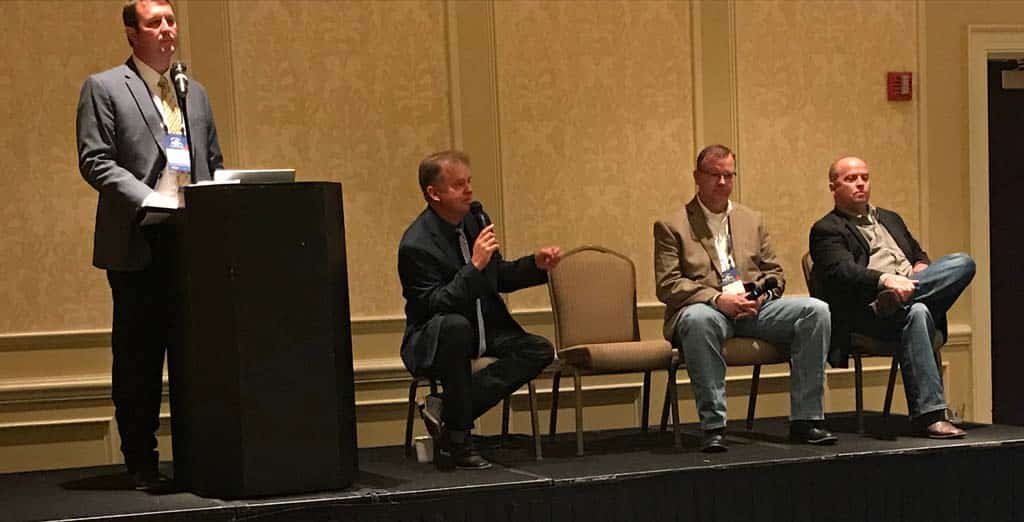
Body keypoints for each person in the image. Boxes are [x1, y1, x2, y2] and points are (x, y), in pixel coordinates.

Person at [76, 0, 223, 489]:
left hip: (191, 242)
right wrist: (149, 198)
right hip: (138, 239)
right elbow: (95, 160)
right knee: (138, 359)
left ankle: (199, 457)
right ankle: (140, 460)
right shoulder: (104, 87)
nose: (166, 30)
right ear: (131, 33)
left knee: (196, 355)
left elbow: (212, 161)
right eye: (153, 22)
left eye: (170, 21)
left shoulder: (194, 92)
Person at [654, 144, 835, 453]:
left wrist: (760, 295)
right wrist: (717, 299)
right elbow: (668, 284)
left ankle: (806, 420)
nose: (722, 182)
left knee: (815, 310)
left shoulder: (752, 219)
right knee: (698, 320)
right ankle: (713, 426)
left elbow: (774, 272)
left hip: (754, 309)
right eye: (714, 175)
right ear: (697, 177)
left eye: (728, 175)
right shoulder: (672, 226)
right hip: (706, 309)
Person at [398, 150, 559, 470]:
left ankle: (446, 408)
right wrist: (474, 266)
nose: (469, 190)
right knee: (455, 325)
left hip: (484, 329)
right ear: (434, 193)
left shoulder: (475, 220)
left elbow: (497, 276)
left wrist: (535, 265)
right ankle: (460, 438)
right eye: (459, 185)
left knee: (538, 349)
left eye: (469, 182)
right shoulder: (416, 244)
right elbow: (436, 305)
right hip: (438, 337)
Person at [809, 156, 974, 439]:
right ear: (833, 187)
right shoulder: (827, 229)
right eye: (851, 179)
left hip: (903, 300)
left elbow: (918, 254)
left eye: (864, 177)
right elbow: (843, 273)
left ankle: (901, 300)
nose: (860, 184)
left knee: (962, 262)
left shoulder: (890, 218)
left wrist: (920, 267)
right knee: (920, 311)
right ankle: (932, 417)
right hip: (867, 313)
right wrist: (886, 280)